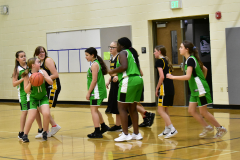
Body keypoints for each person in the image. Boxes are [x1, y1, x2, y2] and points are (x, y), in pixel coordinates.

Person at [166, 40, 227, 138]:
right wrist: (202, 79)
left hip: (200, 90)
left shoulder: (191, 60)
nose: (179, 49)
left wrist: (173, 77)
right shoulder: (190, 59)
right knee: (191, 110)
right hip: (195, 89)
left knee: (203, 112)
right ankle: (207, 127)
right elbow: (205, 69)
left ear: (187, 49)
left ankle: (221, 128)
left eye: (181, 47)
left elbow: (188, 76)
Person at [109, 37, 143, 142]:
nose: (117, 46)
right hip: (138, 80)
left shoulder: (123, 52)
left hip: (129, 81)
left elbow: (124, 66)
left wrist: (112, 71)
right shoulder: (131, 53)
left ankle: (125, 134)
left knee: (122, 108)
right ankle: (136, 133)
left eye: (117, 45)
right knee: (132, 108)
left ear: (121, 46)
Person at [21, 58, 53, 142]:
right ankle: (25, 135)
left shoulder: (43, 72)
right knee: (31, 117)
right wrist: (31, 82)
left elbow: (51, 82)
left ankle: (45, 132)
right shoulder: (27, 75)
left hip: (43, 97)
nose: (40, 63)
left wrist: (45, 77)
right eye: (38, 62)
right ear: (33, 65)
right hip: (32, 98)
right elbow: (26, 90)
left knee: (46, 114)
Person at [33, 46, 61, 138]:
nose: (41, 54)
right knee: (41, 108)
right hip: (47, 87)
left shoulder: (48, 60)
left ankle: (49, 129)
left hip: (53, 86)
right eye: (39, 52)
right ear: (36, 54)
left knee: (44, 109)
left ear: (45, 53)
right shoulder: (39, 62)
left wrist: (43, 78)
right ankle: (51, 127)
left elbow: (56, 74)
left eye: (43, 52)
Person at [85, 47, 110, 138]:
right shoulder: (95, 63)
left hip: (96, 92)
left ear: (93, 55)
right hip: (97, 91)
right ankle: (103, 126)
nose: (85, 57)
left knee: (93, 111)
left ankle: (97, 131)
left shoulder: (94, 65)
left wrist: (88, 92)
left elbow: (94, 80)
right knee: (95, 110)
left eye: (87, 55)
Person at [154, 45, 177, 138]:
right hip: (170, 87)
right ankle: (167, 129)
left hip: (164, 89)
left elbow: (162, 76)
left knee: (160, 110)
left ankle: (172, 128)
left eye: (155, 51)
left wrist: (157, 88)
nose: (154, 53)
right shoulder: (166, 60)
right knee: (165, 110)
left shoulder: (159, 61)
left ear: (159, 51)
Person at [12, 51, 29, 139]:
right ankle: (21, 132)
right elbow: (14, 84)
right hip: (22, 93)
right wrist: (23, 79)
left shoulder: (30, 66)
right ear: (17, 59)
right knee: (25, 112)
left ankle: (41, 129)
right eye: (21, 56)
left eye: (24, 56)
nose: (24, 58)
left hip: (31, 92)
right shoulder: (17, 69)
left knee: (37, 110)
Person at [105, 41, 122, 131]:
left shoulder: (120, 57)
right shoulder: (112, 58)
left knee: (120, 105)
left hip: (119, 84)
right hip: (114, 83)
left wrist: (117, 77)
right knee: (114, 104)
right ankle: (118, 125)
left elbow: (123, 70)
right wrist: (109, 80)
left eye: (113, 47)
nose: (110, 49)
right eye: (110, 47)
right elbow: (113, 72)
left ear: (118, 48)